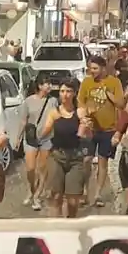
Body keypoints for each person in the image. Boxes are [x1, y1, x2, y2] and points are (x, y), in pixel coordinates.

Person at [42, 78, 91, 218]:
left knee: (73, 200)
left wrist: (86, 128)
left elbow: (88, 135)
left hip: (76, 156)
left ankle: (71, 223)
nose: (65, 94)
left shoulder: (80, 112)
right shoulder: (54, 112)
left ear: (74, 93)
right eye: (62, 91)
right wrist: (35, 133)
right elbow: (45, 132)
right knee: (55, 196)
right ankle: (56, 226)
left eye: (69, 91)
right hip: (57, 155)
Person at [79, 56, 124, 205]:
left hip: (108, 129)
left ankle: (98, 193)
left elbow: (121, 104)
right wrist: (86, 113)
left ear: (103, 68)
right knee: (86, 160)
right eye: (90, 68)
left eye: (95, 68)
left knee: (102, 163)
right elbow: (80, 102)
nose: (92, 72)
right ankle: (84, 191)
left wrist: (109, 95)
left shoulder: (114, 82)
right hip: (91, 129)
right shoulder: (86, 82)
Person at [22, 78, 57, 212]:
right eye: (46, 83)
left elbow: (55, 118)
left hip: (47, 138)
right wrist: (19, 138)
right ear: (39, 85)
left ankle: (37, 196)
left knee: (42, 167)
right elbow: (24, 120)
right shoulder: (29, 101)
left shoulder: (53, 101)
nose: (49, 86)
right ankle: (31, 190)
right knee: (30, 168)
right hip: (31, 138)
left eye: (50, 83)